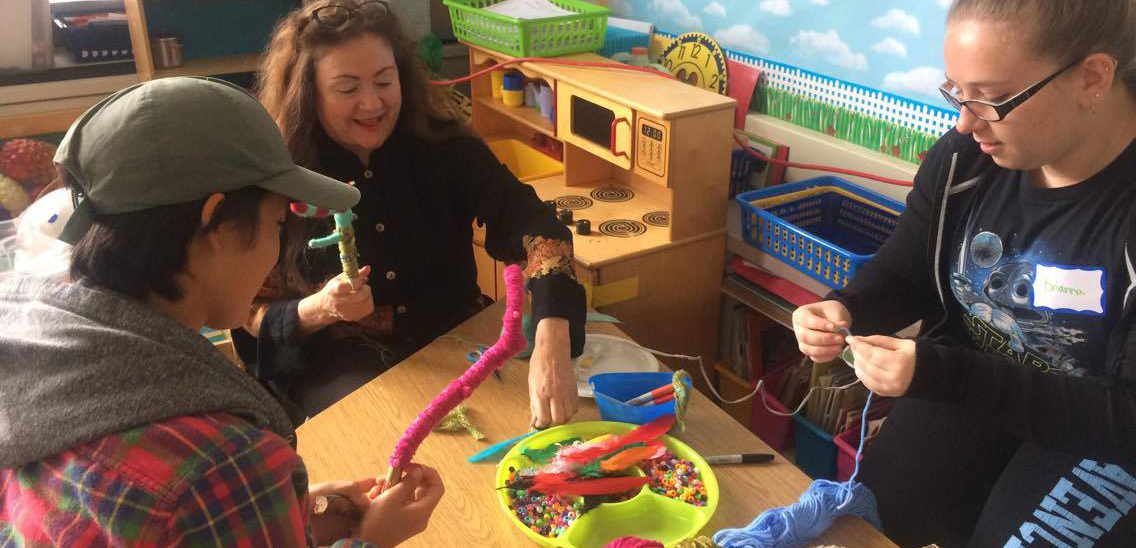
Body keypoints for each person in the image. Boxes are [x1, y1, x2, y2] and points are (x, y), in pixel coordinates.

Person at [0, 77, 443, 548]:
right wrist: (371, 540)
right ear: (218, 223)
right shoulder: (222, 465)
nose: (274, 250)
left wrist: (279, 511)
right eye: (276, 223)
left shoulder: (28, 349)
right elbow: (201, 495)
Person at [791, 1, 1136, 546]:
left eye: (993, 99)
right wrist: (847, 308)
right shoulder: (964, 162)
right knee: (870, 521)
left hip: (1104, 430)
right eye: (956, 92)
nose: (965, 122)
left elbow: (1125, 413)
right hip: (978, 386)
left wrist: (940, 372)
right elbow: (909, 271)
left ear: (1092, 77)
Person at [242, 0, 587, 427]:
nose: (372, 104)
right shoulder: (281, 175)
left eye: (384, 81)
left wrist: (553, 333)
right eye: (348, 89)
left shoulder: (443, 147)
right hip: (341, 360)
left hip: (453, 336)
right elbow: (251, 313)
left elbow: (534, 225)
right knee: (388, 444)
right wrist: (321, 308)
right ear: (309, 94)